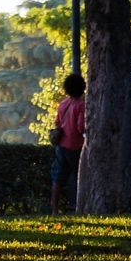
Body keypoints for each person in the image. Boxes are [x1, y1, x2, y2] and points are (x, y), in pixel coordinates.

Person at [50, 73, 86, 211]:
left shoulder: (63, 104)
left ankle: (54, 209)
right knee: (80, 176)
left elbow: (57, 122)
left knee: (58, 178)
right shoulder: (81, 105)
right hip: (75, 146)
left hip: (61, 145)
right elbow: (80, 127)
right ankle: (79, 206)